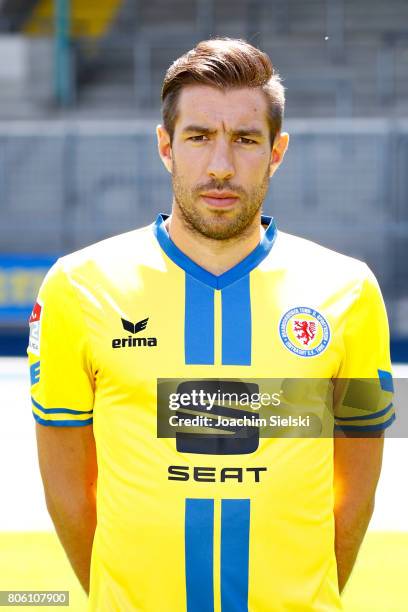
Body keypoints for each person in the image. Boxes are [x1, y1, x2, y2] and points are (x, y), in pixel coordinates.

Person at [28, 38, 395, 611]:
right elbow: (69, 493)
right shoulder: (79, 286)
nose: (221, 165)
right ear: (165, 146)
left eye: (245, 140)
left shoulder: (349, 290)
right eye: (199, 137)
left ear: (277, 152)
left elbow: (356, 491)